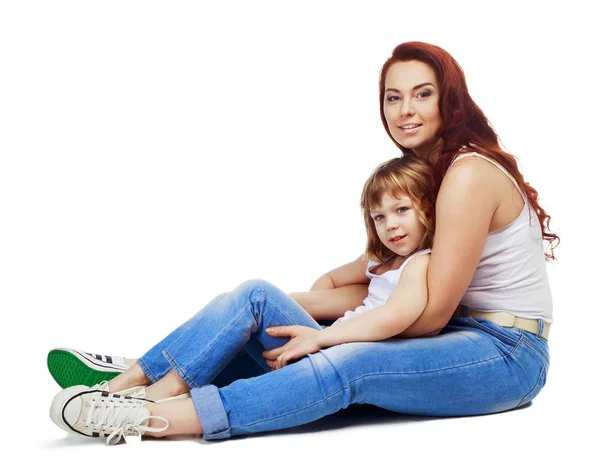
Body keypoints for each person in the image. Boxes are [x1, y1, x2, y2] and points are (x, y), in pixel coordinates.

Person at [49, 41, 557, 445]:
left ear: (450, 99)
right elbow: (377, 280)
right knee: (258, 295)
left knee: (347, 361)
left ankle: (154, 417)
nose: (405, 110)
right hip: (446, 332)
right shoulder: (424, 180)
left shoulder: (467, 175)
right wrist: (287, 313)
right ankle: (145, 375)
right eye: (393, 96)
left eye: (422, 94)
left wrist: (324, 334)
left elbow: (427, 316)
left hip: (505, 353)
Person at [49, 154, 439, 444]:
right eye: (378, 217)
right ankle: (134, 379)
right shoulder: (381, 260)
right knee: (235, 303)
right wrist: (314, 316)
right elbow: (333, 279)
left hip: (332, 360)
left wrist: (320, 336)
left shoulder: (422, 262)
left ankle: (147, 388)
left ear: (427, 208)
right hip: (321, 341)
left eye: (401, 210)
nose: (390, 225)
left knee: (254, 293)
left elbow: (396, 317)